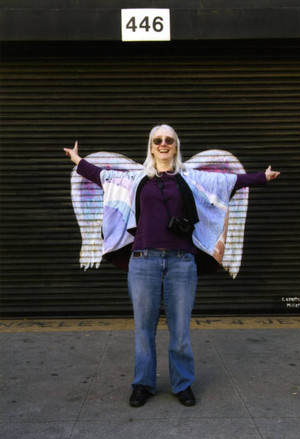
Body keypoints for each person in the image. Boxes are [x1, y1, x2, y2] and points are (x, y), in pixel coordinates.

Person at [64, 124, 280, 408]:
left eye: (169, 140)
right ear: (151, 147)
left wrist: (261, 178)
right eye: (157, 140)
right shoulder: (134, 178)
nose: (163, 144)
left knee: (180, 331)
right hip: (143, 262)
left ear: (176, 146)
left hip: (181, 263)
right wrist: (79, 161)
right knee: (144, 329)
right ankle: (143, 384)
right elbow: (102, 176)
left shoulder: (191, 178)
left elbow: (229, 181)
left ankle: (182, 385)